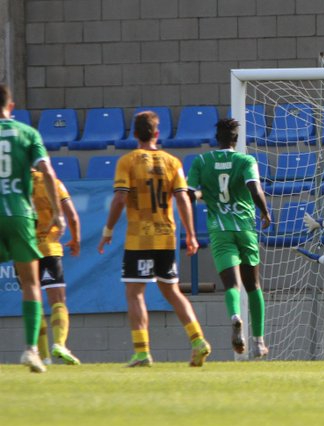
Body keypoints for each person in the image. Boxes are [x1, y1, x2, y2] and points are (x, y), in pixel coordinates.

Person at [97, 111, 211, 368]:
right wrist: (190, 234)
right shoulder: (173, 162)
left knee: (135, 293)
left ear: (134, 134)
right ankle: (198, 340)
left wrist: (108, 230)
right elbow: (183, 198)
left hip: (140, 239)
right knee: (172, 291)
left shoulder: (128, 161)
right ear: (157, 134)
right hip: (166, 237)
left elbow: (120, 198)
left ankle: (142, 352)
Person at [187, 118, 273, 358]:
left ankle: (235, 316)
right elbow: (255, 189)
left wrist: (206, 195)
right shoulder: (246, 160)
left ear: (217, 139)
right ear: (236, 139)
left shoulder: (202, 161)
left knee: (231, 285)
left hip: (220, 229)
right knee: (253, 285)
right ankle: (259, 342)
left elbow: (190, 195)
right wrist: (265, 211)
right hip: (245, 228)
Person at [0, 84, 64, 373]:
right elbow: (48, 172)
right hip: (19, 214)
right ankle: (30, 350)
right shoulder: (28, 133)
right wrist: (58, 214)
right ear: (10, 106)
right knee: (30, 283)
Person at [32, 167, 82, 366]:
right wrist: (76, 238)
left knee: (33, 302)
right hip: (48, 248)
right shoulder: (52, 182)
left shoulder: (12, 187)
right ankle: (59, 344)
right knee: (58, 300)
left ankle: (43, 357)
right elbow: (71, 215)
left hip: (24, 249)